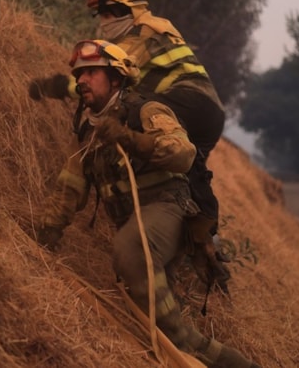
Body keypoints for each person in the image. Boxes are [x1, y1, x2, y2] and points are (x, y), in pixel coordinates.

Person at [34, 39, 258, 368]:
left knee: (130, 252)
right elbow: (71, 183)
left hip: (169, 208)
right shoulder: (89, 129)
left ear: (116, 78)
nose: (81, 80)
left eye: (91, 72)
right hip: (137, 222)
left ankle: (182, 344)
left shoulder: (146, 110)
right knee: (149, 319)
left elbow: (183, 153)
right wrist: (48, 231)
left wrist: (130, 139)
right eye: (78, 74)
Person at [29, 0, 230, 286]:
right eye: (101, 15)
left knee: (138, 122)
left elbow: (110, 76)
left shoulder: (142, 33)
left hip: (189, 101)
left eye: (108, 13)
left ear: (129, 10)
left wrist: (56, 87)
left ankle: (189, 239)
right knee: (189, 173)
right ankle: (206, 245)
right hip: (208, 111)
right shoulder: (153, 27)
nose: (104, 22)